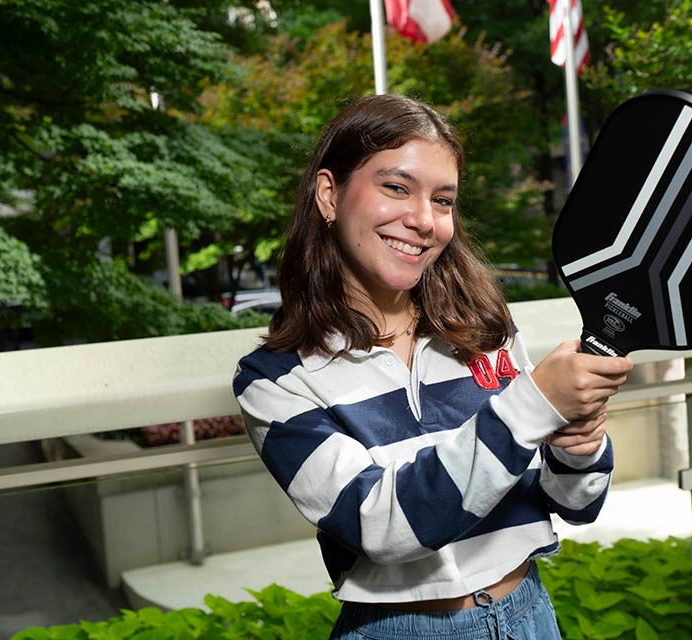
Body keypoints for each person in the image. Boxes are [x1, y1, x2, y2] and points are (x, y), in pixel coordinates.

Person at [233, 93, 634, 640]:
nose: (423, 220)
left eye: (442, 200)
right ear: (330, 194)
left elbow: (571, 503)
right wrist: (534, 405)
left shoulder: (484, 330)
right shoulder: (274, 379)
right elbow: (383, 526)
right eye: (396, 187)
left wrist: (578, 445)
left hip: (530, 614)